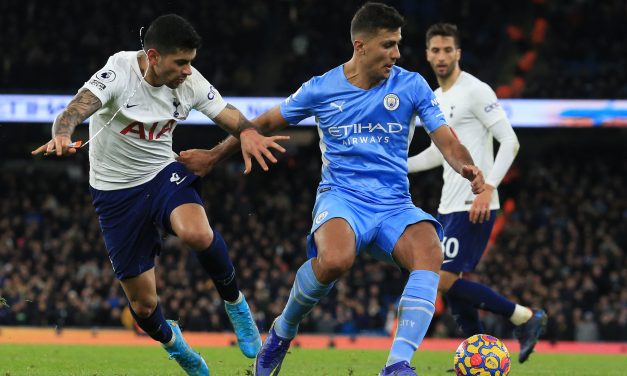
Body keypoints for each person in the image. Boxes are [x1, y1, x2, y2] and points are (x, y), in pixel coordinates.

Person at [177, 3, 485, 375]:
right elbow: (263, 122)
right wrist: (213, 156)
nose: (397, 54)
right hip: (343, 198)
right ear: (361, 46)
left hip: (394, 204)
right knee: (336, 260)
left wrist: (466, 166)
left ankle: (396, 365)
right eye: (388, 45)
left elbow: (447, 141)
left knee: (429, 252)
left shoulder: (411, 85)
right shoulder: (322, 88)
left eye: (399, 44)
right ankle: (283, 331)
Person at [32, 14, 288, 376]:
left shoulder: (190, 81)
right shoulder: (119, 71)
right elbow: (76, 108)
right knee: (143, 304)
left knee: (198, 233)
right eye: (181, 62)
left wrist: (247, 131)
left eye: (191, 62)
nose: (187, 70)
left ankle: (237, 305)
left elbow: (229, 114)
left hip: (161, 174)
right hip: (115, 194)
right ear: (153, 56)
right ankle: (175, 345)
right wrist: (62, 132)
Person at [407, 22, 547, 364]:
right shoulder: (435, 99)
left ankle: (525, 317)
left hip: (474, 203)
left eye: (447, 50)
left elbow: (510, 142)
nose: (441, 57)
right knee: (453, 291)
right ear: (427, 55)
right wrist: (398, 166)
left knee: (440, 279)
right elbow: (437, 154)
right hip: (448, 205)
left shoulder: (476, 90)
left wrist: (489, 189)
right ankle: (477, 359)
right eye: (435, 50)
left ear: (458, 53)